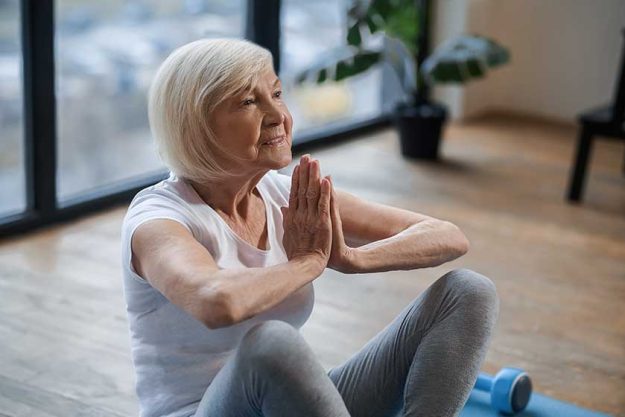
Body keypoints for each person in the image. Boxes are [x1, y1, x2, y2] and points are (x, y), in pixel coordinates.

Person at [120, 38, 499, 417]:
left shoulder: (285, 195)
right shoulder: (158, 220)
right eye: (249, 102)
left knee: (468, 291)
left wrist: (351, 258)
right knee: (271, 343)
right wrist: (308, 262)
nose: (278, 116)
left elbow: (448, 235)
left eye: (277, 94)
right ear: (196, 123)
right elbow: (216, 301)